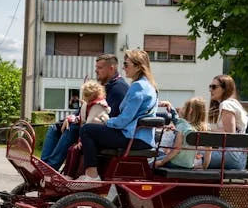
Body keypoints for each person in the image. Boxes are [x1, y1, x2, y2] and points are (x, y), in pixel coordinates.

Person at [77, 49, 158, 182]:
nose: (123, 68)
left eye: (126, 64)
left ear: (138, 66)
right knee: (93, 131)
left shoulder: (138, 86)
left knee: (87, 130)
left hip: (134, 138)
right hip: (141, 138)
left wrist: (105, 122)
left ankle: (92, 175)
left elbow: (125, 119)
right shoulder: (148, 85)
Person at [40, 53, 128, 170]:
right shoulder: (105, 85)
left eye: (100, 68)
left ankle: (50, 168)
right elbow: (86, 107)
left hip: (105, 131)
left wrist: (77, 121)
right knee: (55, 127)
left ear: (111, 68)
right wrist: (70, 117)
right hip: (89, 123)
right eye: (96, 68)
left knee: (71, 128)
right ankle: (43, 166)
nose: (96, 71)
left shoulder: (119, 88)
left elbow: (106, 116)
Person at [205, 74, 248, 169]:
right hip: (236, 156)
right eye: (210, 87)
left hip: (230, 156)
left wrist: (205, 129)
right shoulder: (233, 103)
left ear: (225, 89)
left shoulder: (227, 105)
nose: (210, 90)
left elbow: (229, 134)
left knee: (184, 156)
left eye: (214, 87)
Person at [155, 97, 209, 169]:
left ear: (190, 111)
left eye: (183, 107)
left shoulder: (182, 125)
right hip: (188, 165)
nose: (181, 109)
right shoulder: (202, 128)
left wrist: (162, 162)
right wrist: (204, 167)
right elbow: (209, 150)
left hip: (175, 163)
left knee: (150, 161)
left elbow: (176, 149)